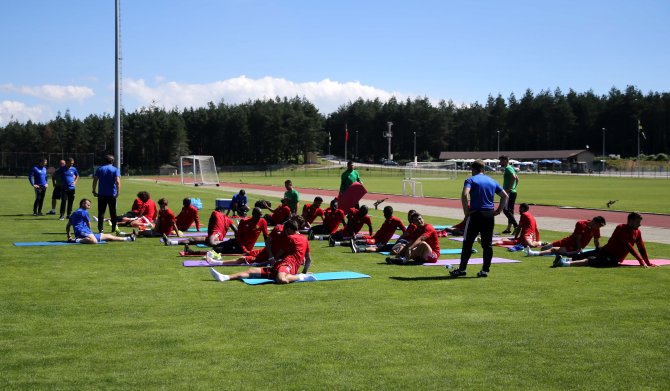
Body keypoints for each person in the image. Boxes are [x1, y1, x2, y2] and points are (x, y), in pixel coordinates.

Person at [450, 159, 508, 278]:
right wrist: (498, 211)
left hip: (476, 214)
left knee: (468, 243)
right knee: (487, 245)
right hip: (489, 215)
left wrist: (466, 212)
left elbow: (465, 194)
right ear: (483, 169)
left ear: (474, 169)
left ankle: (462, 269)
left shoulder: (471, 180)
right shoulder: (492, 181)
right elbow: (505, 196)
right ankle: (485, 270)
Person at [209, 219, 315, 284]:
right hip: (281, 265)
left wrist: (302, 274)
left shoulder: (291, 238)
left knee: (281, 279)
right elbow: (308, 259)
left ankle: (302, 278)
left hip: (287, 265)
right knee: (251, 271)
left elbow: (280, 253)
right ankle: (225, 277)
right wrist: (304, 270)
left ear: (288, 230)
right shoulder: (304, 239)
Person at [553, 212, 656, 268]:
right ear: (630, 221)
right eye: (637, 222)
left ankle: (563, 262)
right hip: (607, 252)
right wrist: (641, 261)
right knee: (584, 256)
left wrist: (647, 262)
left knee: (591, 259)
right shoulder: (621, 228)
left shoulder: (637, 232)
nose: (639, 224)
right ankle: (563, 260)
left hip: (613, 257)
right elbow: (627, 245)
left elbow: (641, 247)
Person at [526, 216, 606, 257]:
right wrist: (580, 249)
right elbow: (578, 238)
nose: (599, 228)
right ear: (594, 222)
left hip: (573, 247)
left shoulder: (596, 229)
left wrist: (598, 249)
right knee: (544, 248)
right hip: (568, 241)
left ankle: (533, 254)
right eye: (599, 226)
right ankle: (543, 245)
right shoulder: (581, 224)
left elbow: (596, 241)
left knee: (553, 249)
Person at [66, 199, 135, 244]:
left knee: (108, 236)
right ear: (82, 204)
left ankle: (128, 239)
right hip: (81, 232)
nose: (89, 204)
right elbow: (89, 223)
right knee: (94, 241)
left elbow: (68, 225)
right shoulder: (83, 212)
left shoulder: (76, 212)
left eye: (89, 203)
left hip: (83, 231)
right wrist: (89, 232)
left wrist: (68, 235)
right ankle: (76, 240)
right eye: (87, 203)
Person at [92, 154, 121, 234]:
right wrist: (118, 192)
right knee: (113, 212)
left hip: (101, 194)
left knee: (101, 212)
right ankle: (113, 228)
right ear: (113, 161)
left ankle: (100, 229)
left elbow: (95, 180)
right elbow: (118, 182)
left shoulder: (100, 169)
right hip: (112, 194)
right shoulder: (115, 169)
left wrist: (94, 190)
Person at [499, 156, 519, 234]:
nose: (500, 162)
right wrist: (514, 187)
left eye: (501, 161)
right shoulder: (511, 168)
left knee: (506, 210)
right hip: (512, 192)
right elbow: (517, 179)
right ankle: (508, 229)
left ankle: (516, 226)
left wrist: (510, 189)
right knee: (510, 211)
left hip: (509, 192)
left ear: (505, 161)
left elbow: (514, 177)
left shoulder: (508, 168)